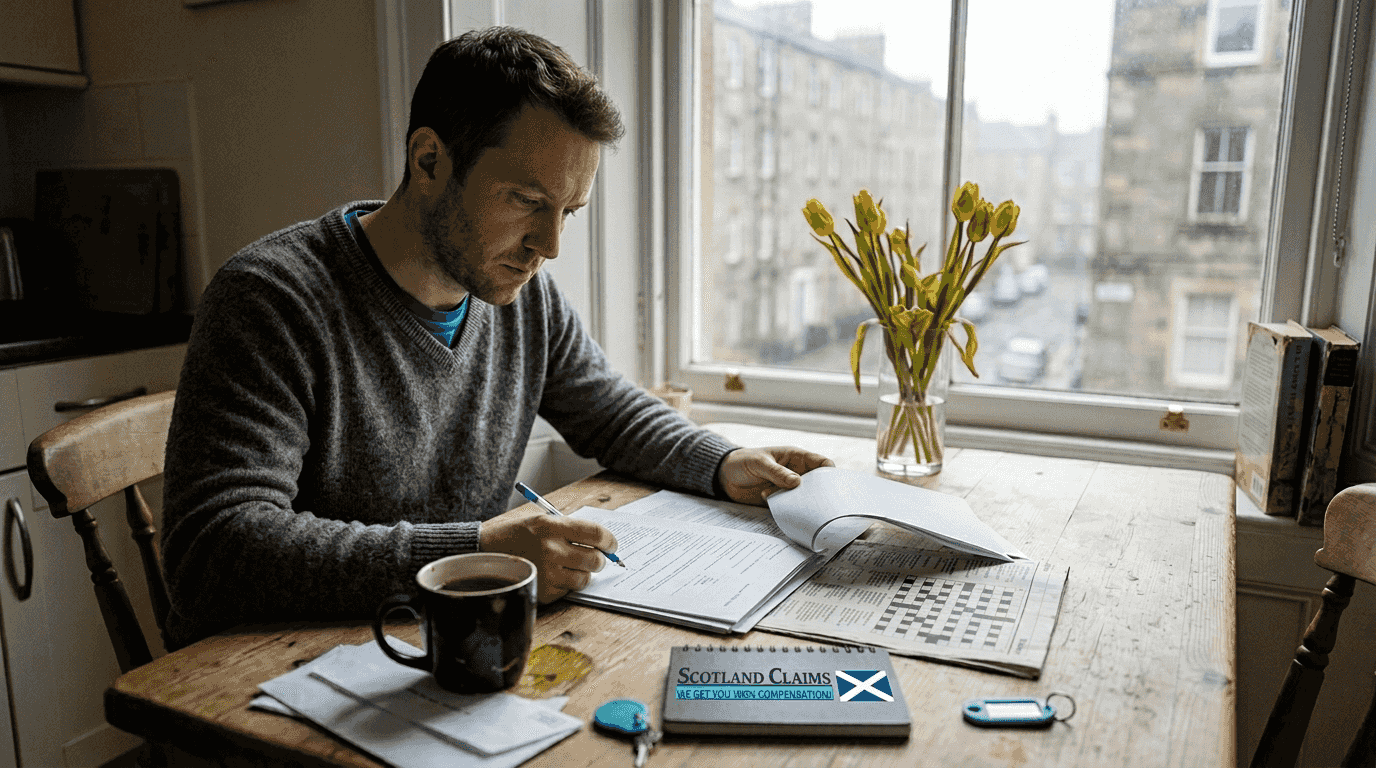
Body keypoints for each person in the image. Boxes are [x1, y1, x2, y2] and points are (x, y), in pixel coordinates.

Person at [160, 26, 833, 649]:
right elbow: (212, 552)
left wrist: (722, 462)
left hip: (447, 641)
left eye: (569, 211)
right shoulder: (270, 298)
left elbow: (610, 412)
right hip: (273, 669)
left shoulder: (521, 293)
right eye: (527, 202)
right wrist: (470, 553)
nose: (550, 244)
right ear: (429, 160)